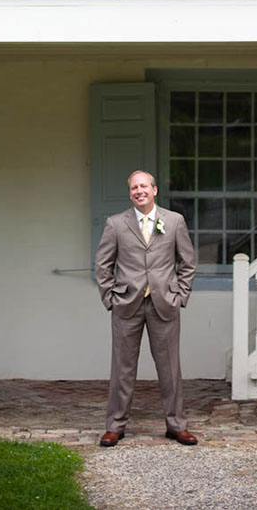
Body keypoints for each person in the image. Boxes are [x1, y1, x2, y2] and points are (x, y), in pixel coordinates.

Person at [94, 169, 197, 447]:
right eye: (133, 188)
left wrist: (180, 295)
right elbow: (103, 265)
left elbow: (187, 262)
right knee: (122, 368)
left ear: (154, 190)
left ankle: (176, 426)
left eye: (143, 186)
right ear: (130, 193)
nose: (138, 191)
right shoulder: (116, 224)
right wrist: (110, 298)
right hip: (126, 305)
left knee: (170, 369)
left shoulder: (174, 221)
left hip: (164, 303)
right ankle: (115, 426)